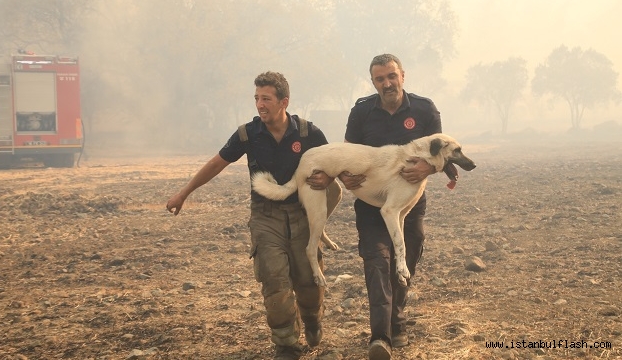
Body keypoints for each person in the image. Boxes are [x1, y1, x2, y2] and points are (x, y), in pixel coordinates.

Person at [166, 71, 341, 360]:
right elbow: (216, 163)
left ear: (283, 101)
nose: (260, 105)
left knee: (309, 285)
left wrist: (327, 177)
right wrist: (184, 193)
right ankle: (286, 345)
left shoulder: (309, 133)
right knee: (275, 284)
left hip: (302, 217)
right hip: (265, 218)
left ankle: (312, 320)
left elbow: (335, 163)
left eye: (266, 99)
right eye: (257, 98)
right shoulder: (247, 134)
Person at [338, 54, 442, 360]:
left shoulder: (424, 109)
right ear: (373, 82)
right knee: (377, 262)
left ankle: (396, 321)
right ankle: (381, 337)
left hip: (409, 204)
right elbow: (347, 151)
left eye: (391, 77)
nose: (387, 84)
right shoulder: (361, 112)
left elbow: (441, 154)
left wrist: (428, 169)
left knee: (406, 257)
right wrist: (344, 175)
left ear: (403, 76)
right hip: (371, 203)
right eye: (380, 79)